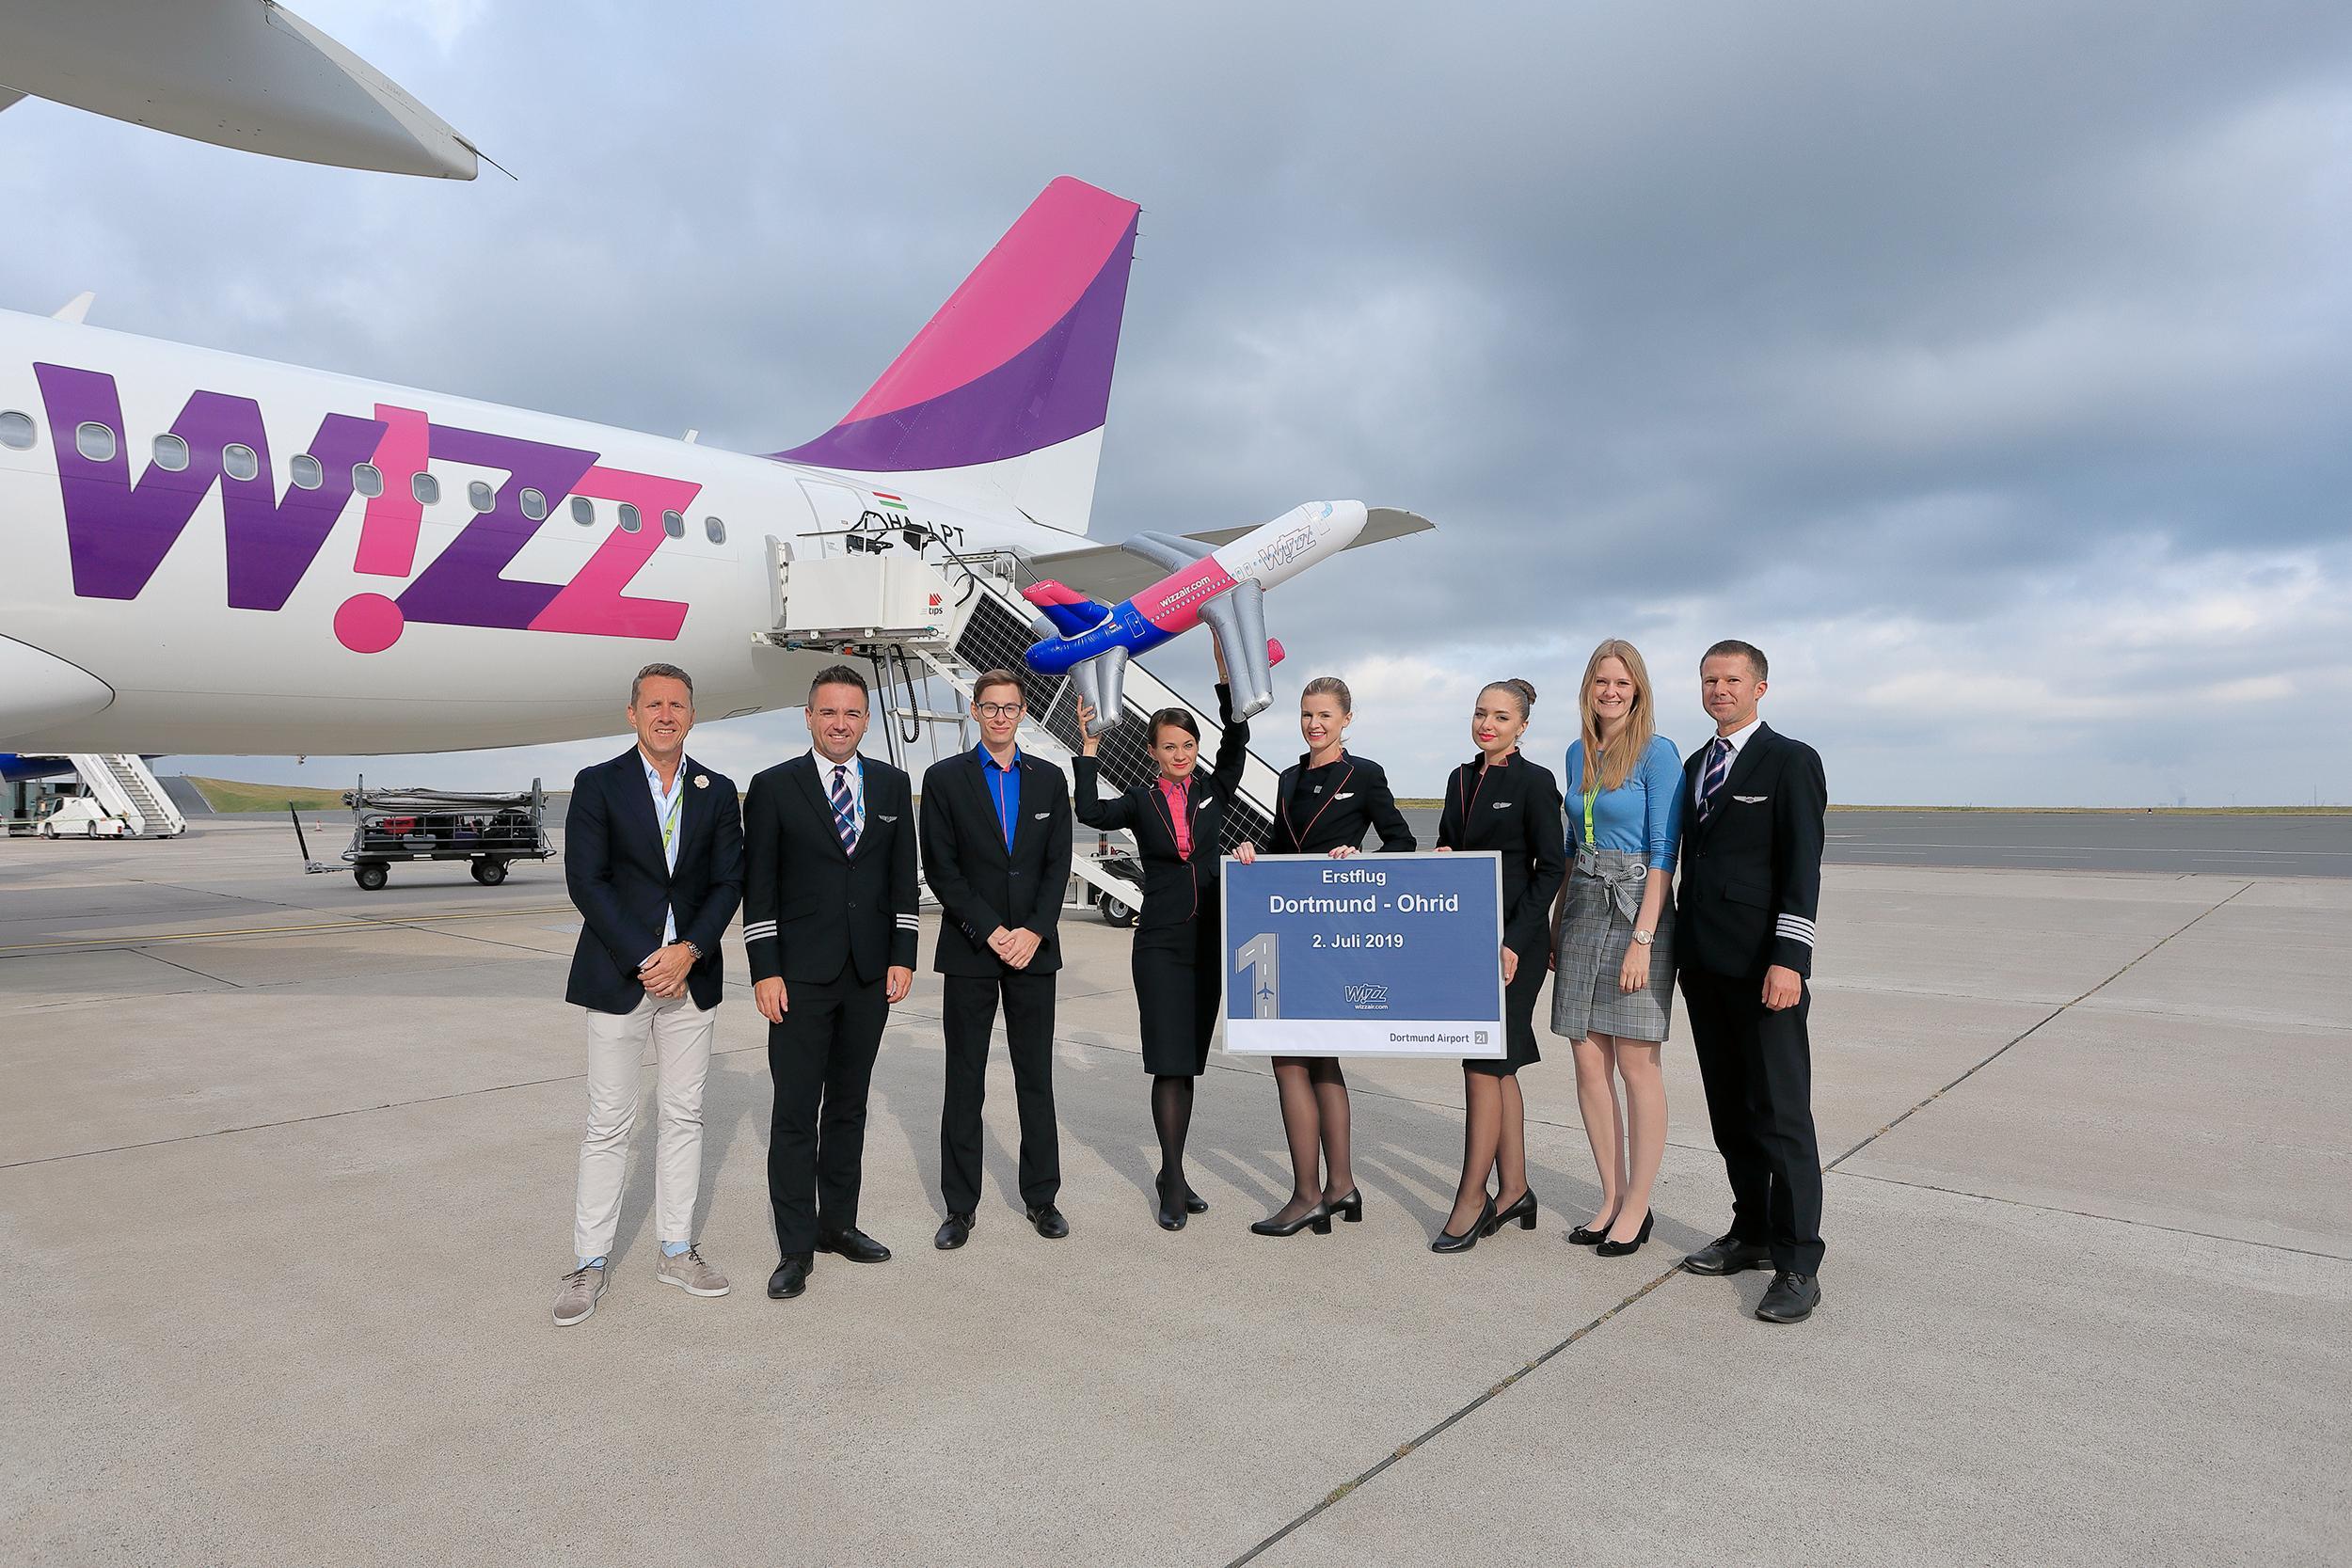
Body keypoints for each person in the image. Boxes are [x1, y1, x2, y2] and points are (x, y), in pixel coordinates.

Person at [551, 662, 744, 1327]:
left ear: (692, 715)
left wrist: (688, 950)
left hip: (692, 979)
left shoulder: (717, 791)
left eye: (678, 704)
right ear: (632, 713)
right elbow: (588, 881)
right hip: (620, 976)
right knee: (609, 1122)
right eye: (654, 703)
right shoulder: (598, 784)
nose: (667, 714)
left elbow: (728, 883)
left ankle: (675, 1248)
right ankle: (589, 1262)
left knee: (685, 1116)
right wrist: (647, 958)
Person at [743, 664, 919, 1302]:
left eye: (851, 712)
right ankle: (794, 1247)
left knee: (849, 1107)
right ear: (810, 717)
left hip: (870, 975)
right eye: (828, 712)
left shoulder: (895, 785)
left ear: (865, 719)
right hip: (797, 979)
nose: (840, 723)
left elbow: (904, 879)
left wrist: (904, 954)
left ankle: (837, 1223)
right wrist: (765, 969)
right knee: (795, 1114)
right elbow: (757, 886)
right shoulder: (773, 786)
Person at [1674, 640, 1829, 1323]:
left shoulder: (1790, 760)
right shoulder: (1694, 765)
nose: (1719, 689)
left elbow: (1803, 866)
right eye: (1710, 679)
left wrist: (1790, 960)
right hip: (1704, 967)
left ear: (1759, 687)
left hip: (1766, 969)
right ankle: (1752, 1230)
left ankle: (1797, 1261)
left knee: (1781, 1115)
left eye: (1732, 679)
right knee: (1730, 1112)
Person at [1072, 644, 1250, 1231]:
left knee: (1190, 1064)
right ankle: (1172, 1178)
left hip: (1208, 946)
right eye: (1169, 747)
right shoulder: (1141, 800)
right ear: (1153, 753)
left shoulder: (1212, 792)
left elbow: (1235, 745)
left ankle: (1173, 1170)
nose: (1180, 755)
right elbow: (1090, 809)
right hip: (1160, 948)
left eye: (1187, 746)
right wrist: (1090, 748)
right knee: (1167, 1064)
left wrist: (1228, 687)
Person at [1245, 675, 1415, 1237]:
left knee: (1297, 1058)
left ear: (1346, 718)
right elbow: (1278, 851)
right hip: (1286, 933)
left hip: (1334, 935)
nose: (1313, 724)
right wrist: (1249, 853)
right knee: (1314, 1061)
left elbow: (1402, 842)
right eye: (1305, 714)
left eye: (1324, 715)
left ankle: (1308, 1195)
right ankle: (1341, 1188)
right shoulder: (1290, 777)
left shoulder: (1364, 775)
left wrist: (1360, 853)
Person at [919, 670, 1075, 1250]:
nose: (1001, 717)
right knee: (964, 1080)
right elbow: (941, 867)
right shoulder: (944, 779)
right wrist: (990, 930)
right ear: (976, 711)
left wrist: (1034, 930)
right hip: (970, 951)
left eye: (1010, 707)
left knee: (1035, 1077)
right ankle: (959, 1207)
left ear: (1022, 712)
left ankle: (1042, 1197)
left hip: (1034, 952)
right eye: (990, 707)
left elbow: (1057, 864)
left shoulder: (1049, 780)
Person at [1549, 640, 1683, 1259]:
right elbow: (1574, 843)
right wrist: (1558, 921)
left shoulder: (1658, 753)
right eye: (1601, 680)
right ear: (1589, 687)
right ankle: (1610, 1195)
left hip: (1637, 905)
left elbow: (1663, 852)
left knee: (1635, 1063)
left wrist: (1644, 939)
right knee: (1585, 1059)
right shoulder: (1579, 750)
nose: (1610, 690)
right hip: (1582, 904)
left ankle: (1638, 1205)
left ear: (1637, 689)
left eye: (1621, 682)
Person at [1430, 679, 1566, 1253]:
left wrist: (1514, 940)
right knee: (1499, 1060)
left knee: (1481, 1061)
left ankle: (1472, 1196)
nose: (1488, 724)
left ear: (1522, 725)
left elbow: (1551, 867)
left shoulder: (1534, 782)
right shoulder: (1460, 779)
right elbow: (1448, 843)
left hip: (1516, 944)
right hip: (1469, 939)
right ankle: (1515, 1188)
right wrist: (1441, 856)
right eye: (1481, 714)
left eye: (1501, 716)